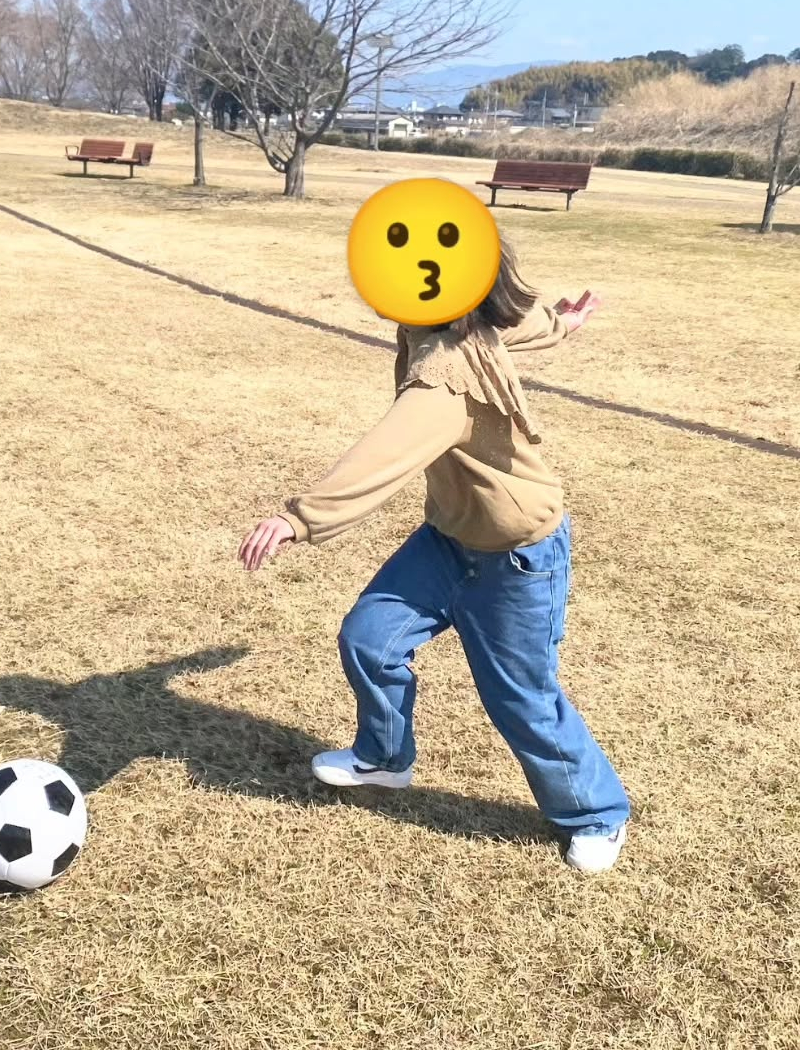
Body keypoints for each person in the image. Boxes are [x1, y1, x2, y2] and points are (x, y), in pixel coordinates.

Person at [238, 239, 631, 872]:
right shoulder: (438, 322)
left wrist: (297, 519)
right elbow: (521, 319)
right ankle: (385, 757)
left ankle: (596, 814)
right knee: (370, 640)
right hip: (447, 540)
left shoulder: (444, 378)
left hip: (516, 557)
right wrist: (564, 321)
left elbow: (385, 453)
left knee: (521, 699)